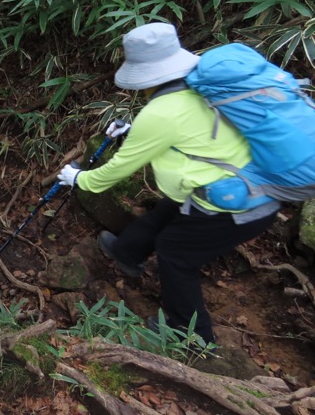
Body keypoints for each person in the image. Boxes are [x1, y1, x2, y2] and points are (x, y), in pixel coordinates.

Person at [57, 22, 279, 344]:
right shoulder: (200, 88)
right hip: (248, 187)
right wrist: (134, 132)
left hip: (237, 203)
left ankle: (192, 336)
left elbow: (117, 170)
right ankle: (126, 252)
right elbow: (192, 138)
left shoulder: (160, 112)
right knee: (165, 212)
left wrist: (80, 179)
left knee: (175, 254)